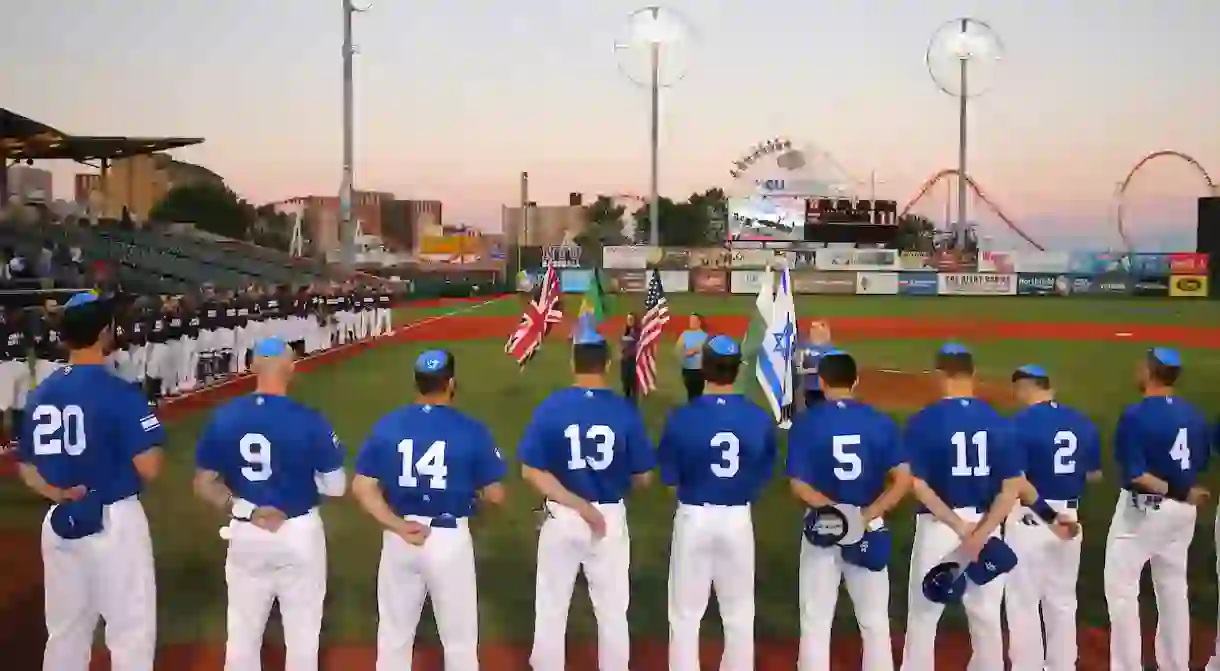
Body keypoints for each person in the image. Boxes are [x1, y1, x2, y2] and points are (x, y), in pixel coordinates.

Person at [15, 291, 166, 671]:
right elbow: (150, 466)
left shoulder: (40, 394)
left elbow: (26, 466)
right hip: (115, 521)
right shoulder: (119, 391)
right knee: (130, 631)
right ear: (105, 333)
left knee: (66, 632)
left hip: (61, 518)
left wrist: (58, 493)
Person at [192, 336, 347, 671]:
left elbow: (204, 482)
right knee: (303, 636)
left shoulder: (225, 417)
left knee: (242, 634)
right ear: (291, 368)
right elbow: (336, 487)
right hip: (299, 531)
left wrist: (245, 508)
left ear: (251, 367)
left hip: (247, 531)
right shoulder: (310, 419)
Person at [352, 349, 507, 671]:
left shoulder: (389, 425)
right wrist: (474, 503)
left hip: (401, 539)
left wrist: (395, 524)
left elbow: (362, 487)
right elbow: (496, 494)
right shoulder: (471, 429)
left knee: (394, 636)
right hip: (449, 540)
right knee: (460, 642)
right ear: (451, 383)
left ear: (416, 383)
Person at [519, 317, 655, 671]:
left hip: (562, 516)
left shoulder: (551, 407)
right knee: (612, 609)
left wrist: (575, 503)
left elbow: (531, 470)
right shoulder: (624, 411)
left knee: (551, 605)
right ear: (608, 365)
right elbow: (643, 478)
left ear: (573, 363)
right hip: (608, 519)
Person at [900, 343, 1024, 671]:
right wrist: (981, 533)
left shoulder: (923, 422)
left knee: (924, 616)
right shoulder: (999, 422)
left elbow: (917, 484)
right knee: (985, 618)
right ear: (972, 375)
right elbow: (1012, 487)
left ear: (941, 375)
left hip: (940, 527)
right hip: (987, 525)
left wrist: (958, 527)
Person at [785, 349, 909, 671]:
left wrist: (837, 515)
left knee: (815, 620)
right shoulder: (879, 421)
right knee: (874, 622)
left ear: (821, 382)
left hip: (823, 527)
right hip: (868, 527)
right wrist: (863, 516)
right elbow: (902, 481)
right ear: (855, 381)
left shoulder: (807, 423)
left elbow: (798, 485)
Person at [659, 335, 776, 671]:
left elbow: (670, 477)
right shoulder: (757, 418)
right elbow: (762, 472)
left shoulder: (682, 417)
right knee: (738, 611)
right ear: (737, 370)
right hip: (738, 517)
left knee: (685, 613)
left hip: (694, 514)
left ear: (704, 368)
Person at [1104, 348, 1210, 671]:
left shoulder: (1136, 415)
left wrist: (1175, 490)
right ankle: (1175, 665)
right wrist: (1182, 492)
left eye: (1142, 365)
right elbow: (1201, 462)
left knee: (1122, 590)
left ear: (1150, 373)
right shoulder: (1193, 414)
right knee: (1173, 589)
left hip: (1144, 512)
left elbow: (1137, 475)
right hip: (1182, 515)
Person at [1004, 364, 1100, 671]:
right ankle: (1062, 666)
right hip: (1070, 519)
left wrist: (1048, 514)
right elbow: (1094, 474)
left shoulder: (1019, 424)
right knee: (1062, 600)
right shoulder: (1082, 422)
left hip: (1034, 517)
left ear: (1024, 388)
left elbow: (1017, 480)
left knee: (1023, 601)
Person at [796, 320, 834, 411]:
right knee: (812, 408)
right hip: (810, 387)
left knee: (822, 409)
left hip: (823, 388)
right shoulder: (805, 347)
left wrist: (808, 370)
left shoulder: (829, 348)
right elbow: (799, 365)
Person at [674, 313, 708, 401]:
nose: (690, 322)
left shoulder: (705, 336)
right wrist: (685, 353)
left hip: (701, 370)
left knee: (698, 393)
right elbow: (677, 350)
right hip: (688, 369)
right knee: (690, 392)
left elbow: (709, 352)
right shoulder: (685, 334)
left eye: (693, 320)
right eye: (690, 320)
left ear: (699, 322)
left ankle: (696, 409)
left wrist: (698, 350)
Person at [619, 312, 640, 403]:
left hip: (633, 361)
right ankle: (626, 398)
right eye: (628, 319)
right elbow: (621, 344)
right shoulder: (625, 331)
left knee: (633, 382)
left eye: (631, 319)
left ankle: (634, 401)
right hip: (624, 361)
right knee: (625, 381)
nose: (629, 321)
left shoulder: (638, 332)